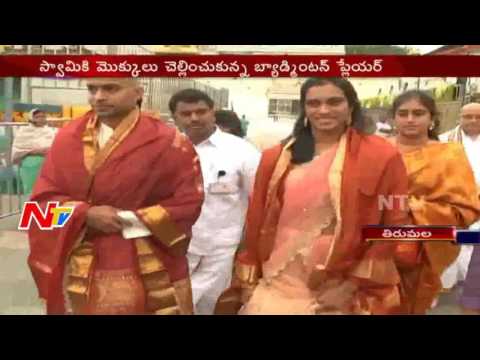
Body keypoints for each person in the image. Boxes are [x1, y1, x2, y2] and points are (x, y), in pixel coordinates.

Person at [215, 77, 411, 315]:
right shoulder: (277, 157)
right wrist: (247, 277)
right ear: (304, 109)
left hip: (342, 280)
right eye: (314, 103)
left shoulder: (382, 156)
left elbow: (394, 222)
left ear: (351, 107)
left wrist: (350, 287)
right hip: (277, 276)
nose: (324, 110)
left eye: (334, 102)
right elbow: (256, 218)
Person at [27, 78, 204, 315]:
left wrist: (128, 220)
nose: (98, 96)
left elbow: (189, 203)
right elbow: (37, 211)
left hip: (147, 256)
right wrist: (85, 214)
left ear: (138, 93)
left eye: (111, 88)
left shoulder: (169, 141)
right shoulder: (67, 138)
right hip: (80, 254)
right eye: (92, 89)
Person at [387, 90, 480, 314]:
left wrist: (412, 208)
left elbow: (467, 208)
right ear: (393, 118)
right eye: (403, 113)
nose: (410, 119)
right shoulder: (376, 150)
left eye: (418, 113)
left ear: (431, 119)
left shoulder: (449, 154)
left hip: (422, 252)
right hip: (372, 246)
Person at [170, 89, 261, 315]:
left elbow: (259, 200)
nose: (194, 118)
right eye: (186, 113)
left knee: (212, 306)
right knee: (171, 305)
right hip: (173, 246)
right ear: (175, 117)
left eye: (201, 111)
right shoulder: (165, 148)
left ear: (213, 113)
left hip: (220, 249)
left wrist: (250, 247)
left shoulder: (241, 151)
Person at [439, 103, 480, 294]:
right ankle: (446, 285)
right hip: (453, 203)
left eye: (478, 117)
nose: (473, 120)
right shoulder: (443, 141)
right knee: (451, 243)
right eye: (468, 116)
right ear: (459, 118)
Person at [11, 109, 57, 194]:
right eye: (37, 117)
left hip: (47, 163)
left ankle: (43, 206)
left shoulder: (50, 131)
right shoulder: (24, 132)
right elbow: (19, 149)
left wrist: (47, 150)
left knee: (46, 189)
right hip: (29, 164)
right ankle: (31, 206)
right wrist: (34, 151)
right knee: (30, 189)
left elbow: (56, 146)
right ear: (31, 118)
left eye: (43, 116)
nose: (41, 119)